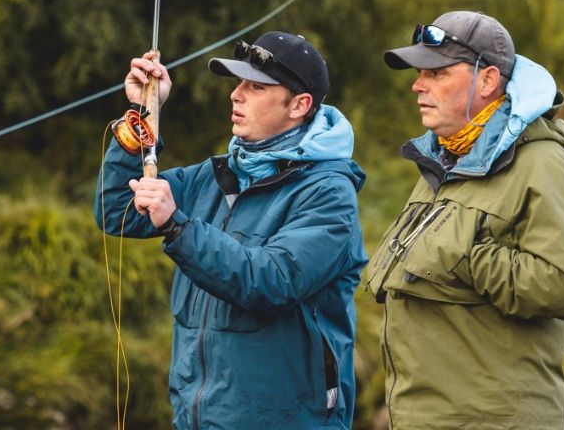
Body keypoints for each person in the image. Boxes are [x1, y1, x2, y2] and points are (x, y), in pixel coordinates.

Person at [95, 31, 368, 429]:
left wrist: (177, 226)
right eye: (238, 83)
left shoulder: (329, 194)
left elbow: (272, 280)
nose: (235, 95)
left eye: (255, 87)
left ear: (299, 105)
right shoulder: (213, 176)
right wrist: (141, 113)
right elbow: (116, 208)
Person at [365, 11, 564, 429]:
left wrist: (469, 259)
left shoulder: (543, 164)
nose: (418, 85)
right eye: (419, 73)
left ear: (488, 80)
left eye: (437, 73)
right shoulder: (444, 162)